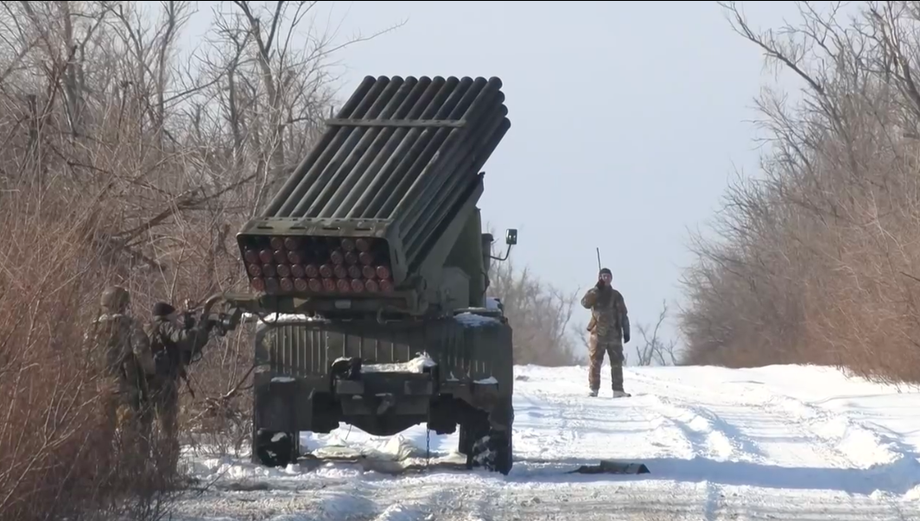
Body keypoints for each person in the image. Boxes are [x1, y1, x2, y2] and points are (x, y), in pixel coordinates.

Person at [145, 301, 216, 475]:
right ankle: (167, 470)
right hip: (163, 385)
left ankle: (147, 470)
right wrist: (202, 328)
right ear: (167, 316)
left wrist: (192, 327)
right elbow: (186, 339)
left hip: (149, 385)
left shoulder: (149, 329)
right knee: (167, 428)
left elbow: (185, 350)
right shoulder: (164, 327)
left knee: (148, 427)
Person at [89, 285, 157, 460]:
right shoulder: (130, 325)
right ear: (122, 304)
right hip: (125, 389)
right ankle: (130, 475)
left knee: (103, 436)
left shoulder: (92, 329)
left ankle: (103, 477)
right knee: (130, 436)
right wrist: (150, 373)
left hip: (100, 389)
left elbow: (85, 359)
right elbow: (141, 351)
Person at [581, 267, 631, 398]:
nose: (606, 278)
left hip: (614, 334)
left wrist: (626, 331)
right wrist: (597, 289)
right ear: (599, 278)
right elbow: (585, 303)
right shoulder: (594, 293)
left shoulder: (616, 295)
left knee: (617, 362)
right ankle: (594, 389)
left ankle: (618, 390)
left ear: (611, 278)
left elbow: (624, 314)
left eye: (608, 276)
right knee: (595, 361)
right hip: (598, 334)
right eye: (603, 276)